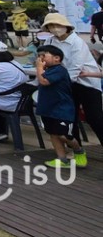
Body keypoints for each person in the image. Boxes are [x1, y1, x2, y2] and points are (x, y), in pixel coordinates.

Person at [42, 13, 103, 147]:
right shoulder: (50, 41)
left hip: (86, 84)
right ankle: (78, 152)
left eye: (57, 25)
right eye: (51, 26)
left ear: (66, 26)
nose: (54, 28)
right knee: (69, 119)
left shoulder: (77, 42)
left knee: (95, 118)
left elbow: (76, 67)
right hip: (65, 84)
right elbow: (44, 59)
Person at [32, 44, 86, 168]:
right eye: (38, 56)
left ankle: (79, 150)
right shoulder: (47, 70)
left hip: (62, 109)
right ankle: (62, 159)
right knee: (53, 133)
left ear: (57, 58)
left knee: (65, 135)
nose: (40, 59)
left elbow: (44, 81)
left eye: (43, 56)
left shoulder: (59, 70)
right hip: (48, 109)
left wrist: (39, 68)